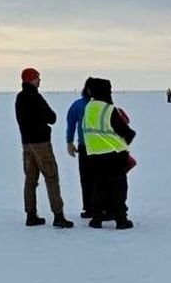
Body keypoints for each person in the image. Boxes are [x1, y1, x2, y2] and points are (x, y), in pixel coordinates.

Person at [15, 68, 73, 228]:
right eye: (38, 78)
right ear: (32, 80)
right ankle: (58, 215)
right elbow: (52, 117)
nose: (40, 81)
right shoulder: (35, 97)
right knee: (51, 177)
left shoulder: (19, 98)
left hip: (27, 143)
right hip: (41, 143)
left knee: (30, 179)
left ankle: (31, 214)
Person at [82, 77, 136, 229]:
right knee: (118, 188)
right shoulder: (108, 109)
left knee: (99, 188)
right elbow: (124, 131)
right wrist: (130, 134)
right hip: (114, 155)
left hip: (93, 154)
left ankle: (96, 219)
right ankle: (121, 220)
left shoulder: (89, 107)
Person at [64, 83, 93, 219]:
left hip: (88, 147)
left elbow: (71, 124)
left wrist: (69, 142)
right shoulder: (81, 105)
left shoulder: (78, 105)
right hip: (92, 147)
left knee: (87, 178)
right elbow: (71, 123)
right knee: (94, 178)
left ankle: (90, 208)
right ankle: (93, 208)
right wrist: (69, 141)